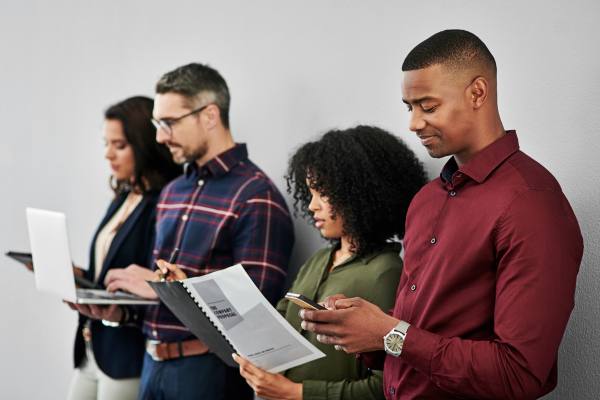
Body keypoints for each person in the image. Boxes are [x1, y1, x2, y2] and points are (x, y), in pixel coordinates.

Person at [300, 29, 584, 400]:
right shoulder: (426, 200)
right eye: (409, 107)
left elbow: (519, 374)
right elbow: (425, 332)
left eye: (428, 107)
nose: (414, 123)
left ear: (477, 93)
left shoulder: (531, 203)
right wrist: (365, 330)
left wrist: (390, 333)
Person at [104, 63, 295, 400]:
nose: (160, 136)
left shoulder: (256, 196)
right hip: (152, 364)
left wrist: (164, 289)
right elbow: (160, 297)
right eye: (157, 124)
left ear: (209, 116)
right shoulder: (172, 191)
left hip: (207, 374)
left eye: (169, 123)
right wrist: (120, 310)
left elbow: (256, 313)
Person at [224, 125, 426, 400]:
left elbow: (385, 385)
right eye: (310, 193)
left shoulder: (385, 273)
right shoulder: (318, 260)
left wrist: (296, 393)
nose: (311, 205)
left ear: (358, 194)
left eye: (323, 193)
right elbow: (277, 327)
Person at [65, 96, 181, 400]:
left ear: (143, 146)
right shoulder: (123, 198)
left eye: (119, 145)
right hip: (92, 345)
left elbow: (149, 280)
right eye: (106, 143)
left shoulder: (162, 203)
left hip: (125, 353)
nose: (107, 155)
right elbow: (108, 272)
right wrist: (75, 275)